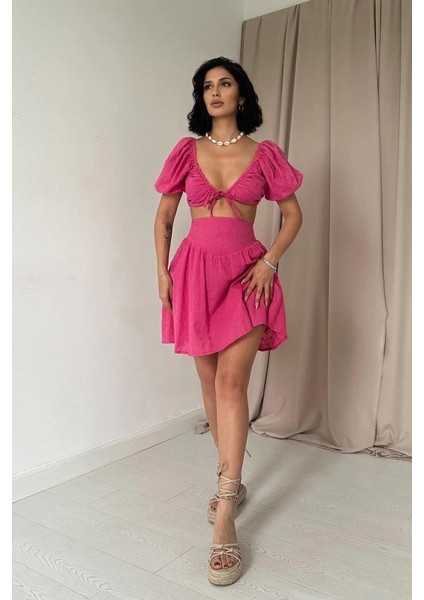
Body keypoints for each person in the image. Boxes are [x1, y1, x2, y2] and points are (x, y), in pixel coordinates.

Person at [153, 56, 303, 586]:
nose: (215, 92)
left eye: (225, 83)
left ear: (242, 94)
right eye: (207, 86)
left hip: (247, 276)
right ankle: (231, 481)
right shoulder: (185, 150)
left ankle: (224, 514)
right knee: (209, 383)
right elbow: (165, 216)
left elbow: (292, 215)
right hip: (193, 274)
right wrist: (162, 274)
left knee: (232, 383)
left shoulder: (264, 154)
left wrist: (270, 261)